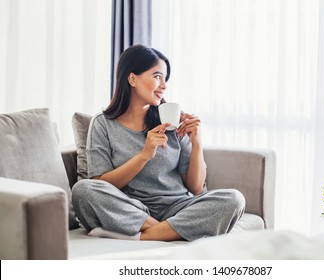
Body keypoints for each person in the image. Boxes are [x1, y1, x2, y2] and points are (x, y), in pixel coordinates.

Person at [72, 44, 245, 241]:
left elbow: (196, 188)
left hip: (177, 207)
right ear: (132, 78)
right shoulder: (103, 124)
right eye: (157, 76)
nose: (164, 85)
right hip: (131, 208)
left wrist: (197, 143)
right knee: (83, 190)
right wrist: (144, 155)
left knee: (233, 199)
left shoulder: (173, 122)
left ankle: (143, 236)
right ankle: (169, 231)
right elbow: (100, 184)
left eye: (165, 79)